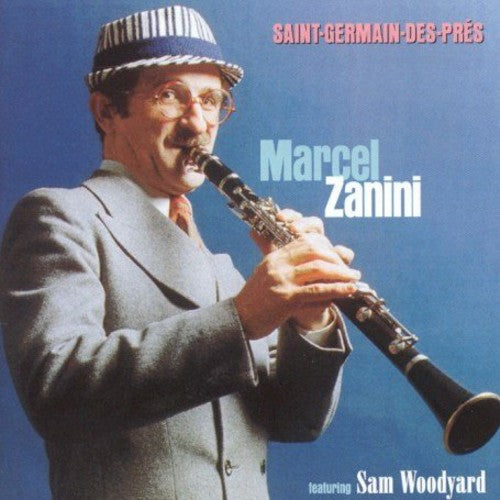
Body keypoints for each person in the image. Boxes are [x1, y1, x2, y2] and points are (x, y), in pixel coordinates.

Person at [0, 6, 360, 499]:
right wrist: (243, 317)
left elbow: (296, 422)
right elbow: (59, 394)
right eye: (170, 95)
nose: (198, 122)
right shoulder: (61, 217)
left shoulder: (220, 267)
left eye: (211, 100)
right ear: (106, 112)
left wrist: (309, 320)